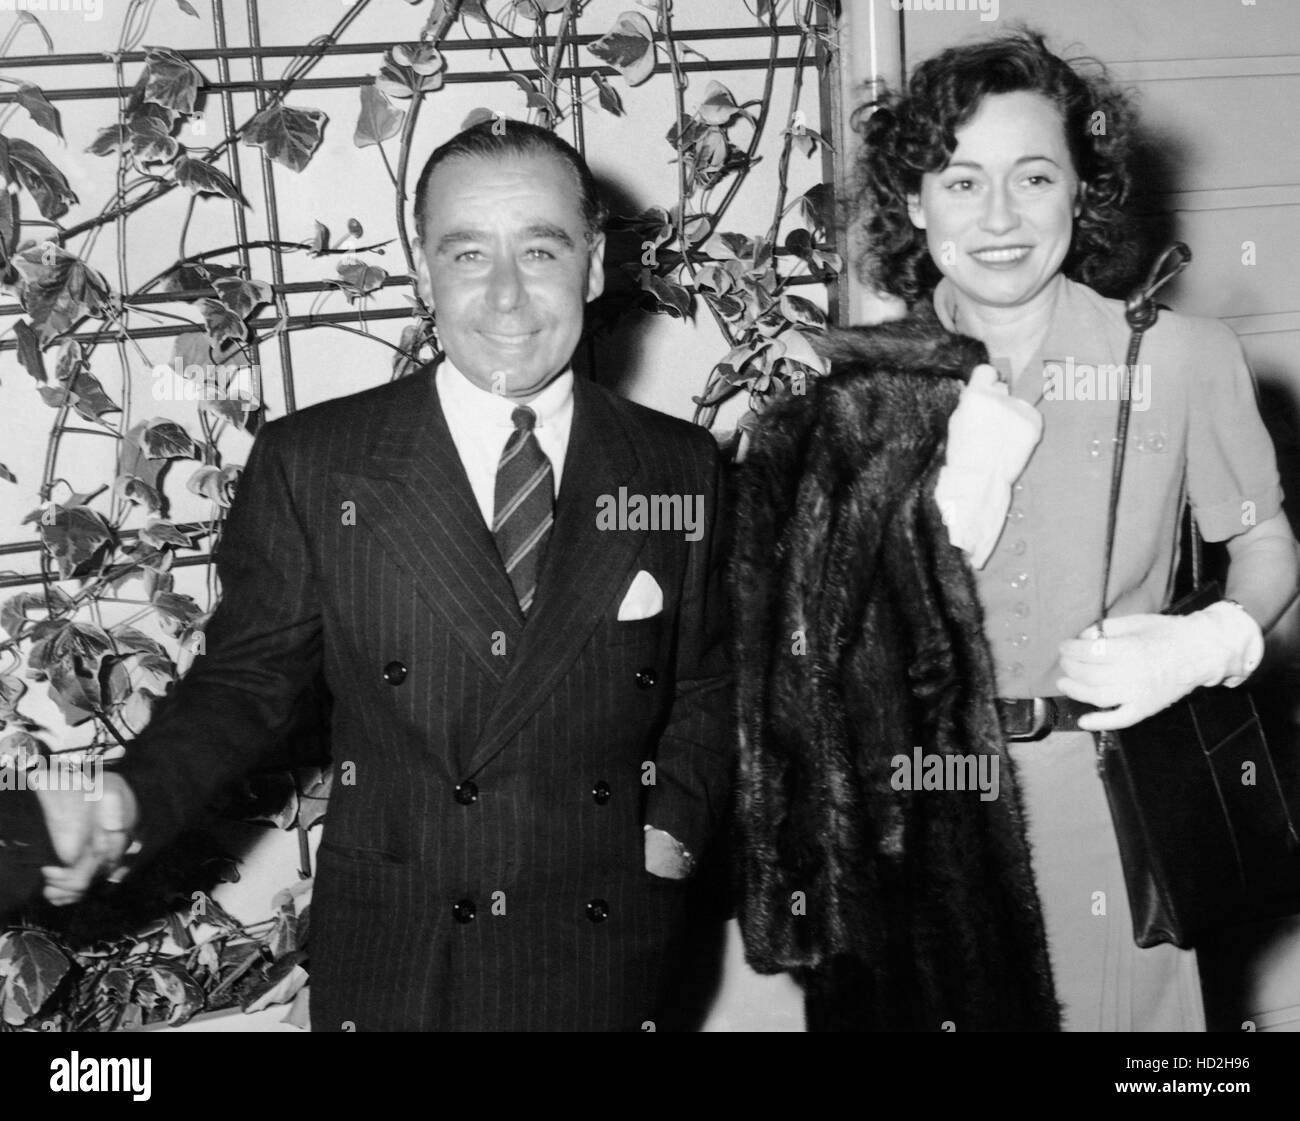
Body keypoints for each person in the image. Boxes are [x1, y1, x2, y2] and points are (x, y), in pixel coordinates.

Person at [36, 120, 733, 1032]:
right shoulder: (316, 463)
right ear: (423, 269)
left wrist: (668, 840)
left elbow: (707, 683)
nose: (508, 297)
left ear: (596, 265)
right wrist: (132, 793)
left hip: (601, 951)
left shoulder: (678, 466)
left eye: (542, 249)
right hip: (402, 952)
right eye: (469, 252)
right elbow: (244, 686)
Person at [735, 29, 1299, 1031]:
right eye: (959, 181)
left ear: (1080, 189)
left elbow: (1261, 541)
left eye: (1033, 176)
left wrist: (1210, 640)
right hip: (917, 819)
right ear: (913, 201)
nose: (998, 218)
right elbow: (798, 652)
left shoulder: (1178, 358)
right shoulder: (852, 386)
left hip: (1110, 806)